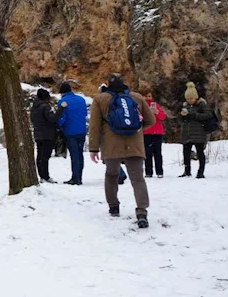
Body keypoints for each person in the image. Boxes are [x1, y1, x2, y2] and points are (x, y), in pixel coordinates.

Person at [89, 74, 155, 228]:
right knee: (138, 178)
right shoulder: (137, 97)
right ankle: (142, 211)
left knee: (112, 174)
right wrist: (137, 130)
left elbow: (94, 126)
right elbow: (151, 120)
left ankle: (113, 206)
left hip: (111, 143)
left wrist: (93, 147)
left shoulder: (100, 99)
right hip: (135, 143)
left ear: (107, 84)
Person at [179, 82, 214, 179]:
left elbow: (208, 115)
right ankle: (187, 171)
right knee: (186, 153)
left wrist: (194, 115)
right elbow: (179, 120)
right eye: (188, 99)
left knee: (200, 153)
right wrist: (182, 117)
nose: (189, 100)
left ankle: (201, 171)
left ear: (195, 97)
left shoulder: (202, 105)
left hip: (199, 133)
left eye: (191, 98)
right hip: (187, 133)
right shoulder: (185, 106)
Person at [57, 82, 88, 185]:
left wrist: (59, 126)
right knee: (79, 154)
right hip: (82, 130)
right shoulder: (81, 99)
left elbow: (62, 118)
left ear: (62, 93)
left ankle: (75, 178)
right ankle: (79, 176)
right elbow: (84, 113)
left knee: (74, 155)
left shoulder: (63, 101)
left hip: (70, 132)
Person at [31, 89, 59, 183]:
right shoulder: (45, 107)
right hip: (47, 134)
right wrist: (60, 111)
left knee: (40, 155)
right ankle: (45, 176)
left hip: (38, 133)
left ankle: (41, 176)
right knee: (45, 156)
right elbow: (52, 118)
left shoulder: (34, 107)